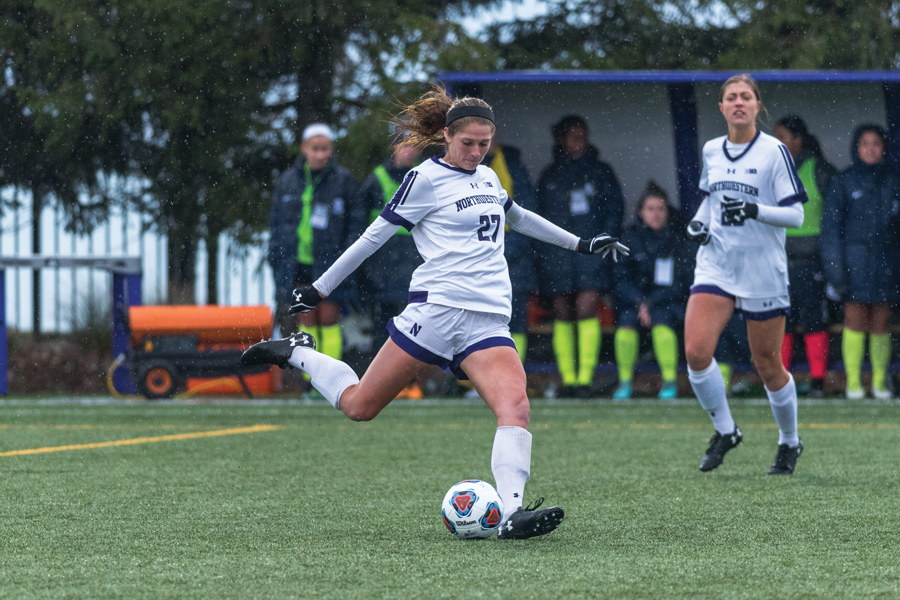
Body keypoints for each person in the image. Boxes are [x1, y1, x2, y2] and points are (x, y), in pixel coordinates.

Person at [242, 86, 628, 539]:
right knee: (360, 406)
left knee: (516, 407)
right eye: (468, 143)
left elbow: (519, 217)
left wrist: (581, 244)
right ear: (446, 135)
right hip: (437, 312)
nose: (476, 152)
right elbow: (372, 238)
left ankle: (511, 514)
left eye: (485, 144)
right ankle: (297, 353)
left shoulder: (487, 178)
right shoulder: (423, 179)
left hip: (486, 320)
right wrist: (319, 288)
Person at [684, 74, 806, 475]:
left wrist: (756, 210)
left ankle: (789, 442)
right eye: (731, 97)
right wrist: (699, 223)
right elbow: (709, 201)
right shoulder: (712, 150)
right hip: (717, 263)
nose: (738, 103)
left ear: (757, 106)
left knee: (768, 364)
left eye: (746, 97)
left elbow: (796, 214)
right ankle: (725, 430)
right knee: (697, 353)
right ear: (721, 108)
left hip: (761, 270)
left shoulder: (774, 151)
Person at [536, 115, 625, 397]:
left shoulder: (601, 171)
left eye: (583, 136)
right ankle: (568, 380)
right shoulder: (550, 174)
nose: (580, 142)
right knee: (562, 312)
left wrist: (602, 243)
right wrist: (547, 251)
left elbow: (615, 210)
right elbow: (538, 218)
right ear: (561, 139)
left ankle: (585, 380)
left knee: (586, 308)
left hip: (591, 252)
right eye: (574, 136)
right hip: (558, 255)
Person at [267, 124, 364, 376]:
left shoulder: (343, 180)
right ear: (304, 149)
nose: (320, 154)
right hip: (298, 262)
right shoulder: (289, 181)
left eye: (325, 149)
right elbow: (277, 224)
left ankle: (332, 378)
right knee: (306, 321)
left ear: (331, 149)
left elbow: (356, 223)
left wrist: (348, 256)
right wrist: (276, 256)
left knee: (329, 318)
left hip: (331, 263)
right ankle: (312, 379)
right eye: (315, 149)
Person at [821, 124, 900, 400]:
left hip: (887, 264)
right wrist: (836, 272)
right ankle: (853, 383)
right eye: (865, 143)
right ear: (856, 147)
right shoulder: (843, 182)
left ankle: (879, 382)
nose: (870, 148)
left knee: (881, 323)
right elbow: (830, 231)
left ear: (883, 148)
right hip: (853, 265)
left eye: (876, 143)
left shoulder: (893, 180)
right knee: (854, 321)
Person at [773, 116, 836, 398]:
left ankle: (818, 382)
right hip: (778, 262)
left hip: (810, 261)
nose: (777, 142)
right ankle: (779, 380)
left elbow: (834, 219)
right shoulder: (772, 170)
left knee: (813, 320)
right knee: (779, 321)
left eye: (782, 137)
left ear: (798, 141)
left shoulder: (819, 170)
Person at [612, 181, 692, 401]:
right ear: (640, 212)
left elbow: (680, 283)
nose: (656, 214)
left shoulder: (677, 239)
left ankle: (669, 382)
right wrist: (640, 302)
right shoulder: (628, 238)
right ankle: (625, 382)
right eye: (650, 209)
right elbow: (620, 280)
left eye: (661, 208)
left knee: (662, 320)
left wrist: (651, 302)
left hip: (665, 302)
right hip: (635, 304)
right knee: (626, 323)